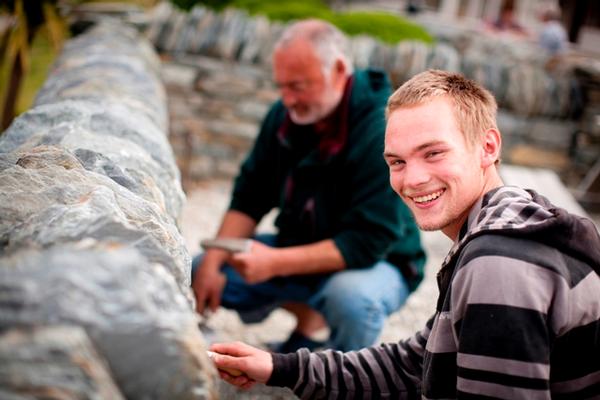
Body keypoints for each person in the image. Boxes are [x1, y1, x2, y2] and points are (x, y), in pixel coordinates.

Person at [207, 69, 600, 398]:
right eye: (397, 161)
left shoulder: (500, 263)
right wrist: (281, 367)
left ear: (488, 146)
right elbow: (416, 364)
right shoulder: (505, 221)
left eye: (433, 153)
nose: (411, 180)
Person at [191, 19, 426, 353]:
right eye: (281, 86)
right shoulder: (285, 115)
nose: (286, 99)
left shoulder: (383, 129)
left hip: (380, 261)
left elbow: (365, 243)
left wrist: (273, 263)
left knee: (351, 299)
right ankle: (311, 324)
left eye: (298, 86)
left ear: (339, 69)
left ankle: (344, 375)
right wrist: (214, 262)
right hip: (299, 244)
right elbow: (250, 195)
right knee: (200, 267)